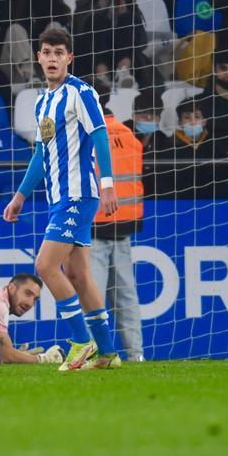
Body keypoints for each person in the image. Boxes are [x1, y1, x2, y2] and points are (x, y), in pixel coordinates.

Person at [2, 27, 121, 370]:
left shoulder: (80, 92)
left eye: (59, 53)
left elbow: (100, 136)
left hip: (78, 195)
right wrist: (20, 196)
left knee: (44, 266)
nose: (52, 58)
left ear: (70, 58)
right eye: (47, 52)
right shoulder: (43, 102)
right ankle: (108, 352)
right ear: (38, 57)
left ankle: (81, 342)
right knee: (80, 275)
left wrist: (108, 184)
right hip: (58, 198)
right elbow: (41, 155)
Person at [88, 79, 145, 362]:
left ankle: (96, 353)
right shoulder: (127, 133)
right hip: (125, 223)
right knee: (126, 295)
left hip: (95, 225)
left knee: (93, 296)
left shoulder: (87, 134)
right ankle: (136, 355)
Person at [152, 98, 228, 198]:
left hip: (211, 203)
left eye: (197, 117)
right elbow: (163, 182)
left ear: (204, 121)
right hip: (179, 203)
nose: (193, 122)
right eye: (187, 118)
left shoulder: (215, 144)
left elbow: (224, 175)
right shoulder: (169, 146)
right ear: (180, 123)